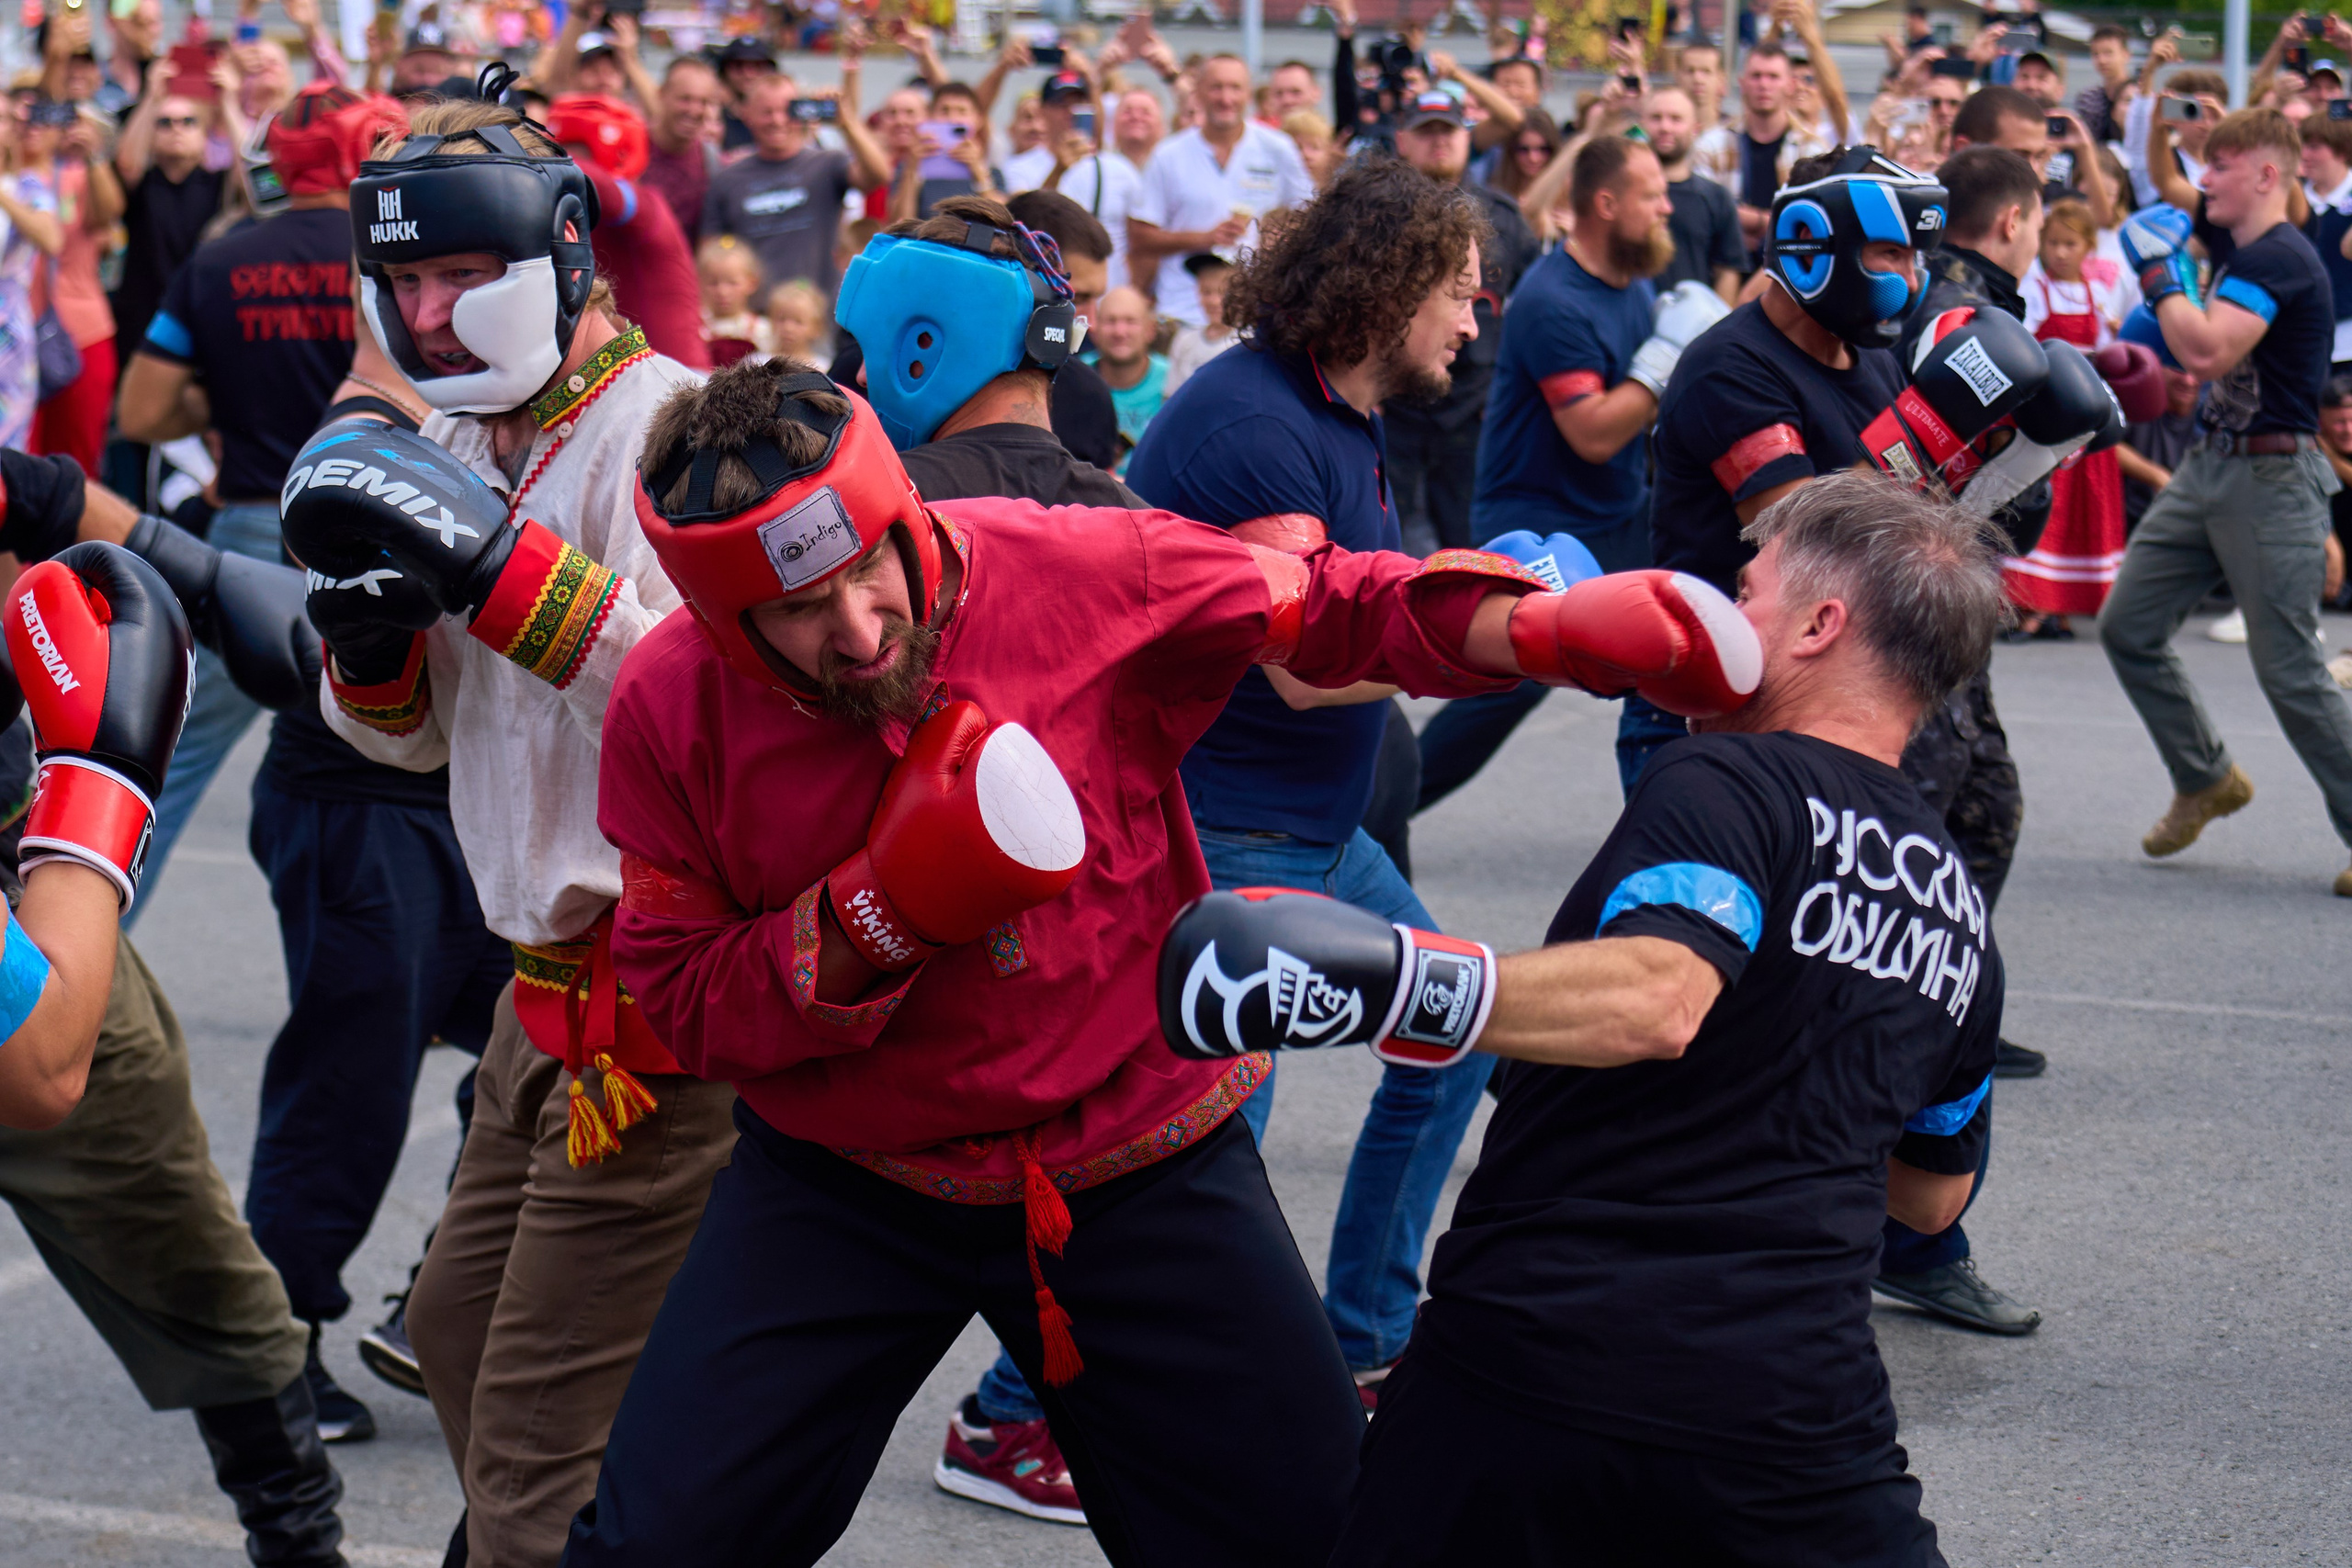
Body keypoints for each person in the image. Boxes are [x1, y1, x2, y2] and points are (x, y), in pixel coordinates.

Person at [560, 344, 1751, 1567]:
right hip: (845, 1179)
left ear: (902, 522)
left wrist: (1542, 629)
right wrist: (874, 918)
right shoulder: (670, 706)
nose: (859, 631)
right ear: (723, 618)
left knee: (1320, 1536)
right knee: (654, 1543)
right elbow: (682, 1000)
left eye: (871, 575)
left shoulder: (1075, 563)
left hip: (1129, 1149)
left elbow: (1323, 602)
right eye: (801, 612)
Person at [1171, 470, 2004, 1568]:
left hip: (1544, 1361)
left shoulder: (1729, 784)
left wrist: (1390, 979)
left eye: (1744, 589)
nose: (1716, 614)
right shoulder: (1958, 913)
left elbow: (1660, 995)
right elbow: (1931, 1193)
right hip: (1794, 1410)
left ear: (1818, 625)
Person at [288, 96, 735, 1568]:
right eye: (403, 285)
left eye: (457, 278)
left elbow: (716, 703)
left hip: (656, 1009)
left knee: (537, 1443)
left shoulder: (668, 422)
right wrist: (366, 650)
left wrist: (491, 571)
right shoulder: (469, 435)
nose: (427, 312)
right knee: (457, 1334)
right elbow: (412, 737)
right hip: (536, 1003)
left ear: (553, 255)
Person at [1123, 158, 1511, 1411]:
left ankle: (1361, 1338)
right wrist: (1506, 634)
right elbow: (1305, 665)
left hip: (1313, 826)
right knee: (1195, 1153)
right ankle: (1024, 1409)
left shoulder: (1335, 407)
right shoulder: (1258, 427)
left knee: (1449, 1038)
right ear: (1384, 291)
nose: (1475, 314)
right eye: (1457, 289)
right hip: (1232, 830)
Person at [831, 192, 1138, 1525]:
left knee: (700, 1495)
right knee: (1265, 1486)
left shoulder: (862, 529)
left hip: (865, 1059)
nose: (844, 385)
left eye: (859, 357)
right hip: (1096, 1051)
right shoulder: (1129, 515)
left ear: (912, 352)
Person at [0, 467, 349, 1566]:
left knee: (190, 1255)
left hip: (19, 857)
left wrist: (198, 569)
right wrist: (101, 781)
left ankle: (299, 1543)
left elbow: (32, 499)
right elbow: (37, 1064)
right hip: (38, 899)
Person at [112, 81, 405, 914]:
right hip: (376, 537)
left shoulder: (220, 258)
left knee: (157, 771)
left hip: (246, 535)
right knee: (388, 777)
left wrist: (227, 407)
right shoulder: (399, 254)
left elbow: (143, 409)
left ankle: (69, 963)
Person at [1421, 136, 1724, 807]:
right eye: (1651, 195)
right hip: (1536, 514)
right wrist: (1665, 356)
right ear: (1606, 204)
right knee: (1513, 676)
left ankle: (1670, 810)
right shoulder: (1555, 300)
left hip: (1619, 510)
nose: (1667, 207)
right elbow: (1591, 432)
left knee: (1682, 641)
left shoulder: (1635, 282)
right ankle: (1388, 801)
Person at [2098, 109, 2352, 897]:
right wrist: (2162, 284)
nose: (2204, 178)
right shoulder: (2242, 250)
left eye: (2221, 166)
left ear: (2266, 177)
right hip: (2213, 467)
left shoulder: (2278, 257)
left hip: (2271, 481)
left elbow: (2205, 351)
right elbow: (2168, 336)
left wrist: (2156, 277)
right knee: (2128, 626)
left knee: (2291, 672)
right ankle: (2205, 776)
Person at [1381, 94, 1539, 558]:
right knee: (1385, 539)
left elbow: (1536, 307)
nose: (1438, 143)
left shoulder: (1502, 218)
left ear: (1467, 137)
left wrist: (1509, 394)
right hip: (1395, 403)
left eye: (1447, 131)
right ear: (1402, 140)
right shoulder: (1378, 215)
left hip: (1473, 405)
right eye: (1426, 132)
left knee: (1469, 543)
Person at [2011, 197, 2132, 635]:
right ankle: (2032, 604)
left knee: (2083, 506)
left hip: (2088, 408)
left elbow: (2104, 349)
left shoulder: (2098, 295)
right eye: (2053, 242)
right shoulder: (2035, 291)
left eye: (2070, 243)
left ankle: (2062, 604)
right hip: (2053, 406)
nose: (2060, 252)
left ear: (2088, 248)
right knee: (2047, 505)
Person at [1129, 55, 1314, 328]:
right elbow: (1140, 235)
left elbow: (1309, 219)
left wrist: (1276, 237)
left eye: (1235, 88)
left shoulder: (1278, 148)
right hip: (1183, 313)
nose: (1226, 98)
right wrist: (1204, 238)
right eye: (1216, 87)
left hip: (1256, 314)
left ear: (1249, 93)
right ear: (1199, 92)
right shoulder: (1169, 154)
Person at [543, 93, 709, 370]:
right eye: (561, 148)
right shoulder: (566, 213)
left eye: (576, 150)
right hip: (628, 377)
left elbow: (601, 186)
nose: (565, 161)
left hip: (681, 384)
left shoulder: (647, 205)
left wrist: (532, 158)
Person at [702, 72, 891, 299]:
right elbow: (709, 255)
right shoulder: (727, 179)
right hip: (756, 318)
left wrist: (847, 122)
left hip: (818, 314)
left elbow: (879, 174)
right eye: (766, 112)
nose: (777, 120)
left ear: (803, 112)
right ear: (747, 114)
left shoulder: (828, 164)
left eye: (787, 110)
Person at [107, 71, 227, 398]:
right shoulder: (143, 184)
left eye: (188, 121)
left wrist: (227, 103)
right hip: (141, 318)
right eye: (165, 122)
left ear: (205, 132)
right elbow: (126, 163)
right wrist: (151, 97)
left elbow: (253, 179)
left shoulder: (218, 184)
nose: (176, 129)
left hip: (203, 317)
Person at [28, 104, 123, 477]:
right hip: (17, 333)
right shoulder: (18, 178)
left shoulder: (84, 175)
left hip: (83, 332)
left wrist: (94, 153)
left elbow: (109, 213)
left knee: (77, 461)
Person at [1693, 42, 1829, 271]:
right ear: (1742, 83)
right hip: (1722, 267)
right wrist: (1770, 224)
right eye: (1756, 76)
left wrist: (1752, 220)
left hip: (1790, 271)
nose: (1764, 85)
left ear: (1790, 85)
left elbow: (1816, 222)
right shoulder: (1711, 144)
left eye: (1773, 77)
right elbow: (1701, 213)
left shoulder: (1812, 150)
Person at [1647, 87, 1743, 304]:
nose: (1665, 127)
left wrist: (1713, 330)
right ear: (1643, 124)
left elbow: (1728, 271)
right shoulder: (1625, 191)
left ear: (1696, 129)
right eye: (1656, 118)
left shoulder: (1716, 197)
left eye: (1676, 119)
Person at [639, 55, 723, 245]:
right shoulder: (630, 149)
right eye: (685, 99)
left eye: (704, 102)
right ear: (661, 95)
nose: (695, 110)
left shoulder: (712, 161)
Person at [1085, 284, 1168, 468]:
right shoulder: (1073, 379)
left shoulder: (1174, 382)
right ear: (1094, 328)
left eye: (1131, 321)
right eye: (1110, 321)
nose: (1120, 332)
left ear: (1150, 329)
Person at [2117, 363, 2203, 535]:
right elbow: (2107, 446)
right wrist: (2157, 476)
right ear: (2160, 367)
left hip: (2183, 529)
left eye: (2196, 372)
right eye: (2178, 369)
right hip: (2130, 523)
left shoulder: (2210, 417)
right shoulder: (2140, 401)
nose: (2188, 381)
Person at [2301, 113, 2352, 368]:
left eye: (2314, 146)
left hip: (2347, 339)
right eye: (2302, 145)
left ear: (2342, 151)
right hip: (2299, 337)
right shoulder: (2292, 197)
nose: (2304, 154)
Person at [1163, 253, 1235, 394]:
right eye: (1206, 292)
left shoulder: (1246, 341)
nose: (1214, 301)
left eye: (1223, 292)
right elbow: (1170, 395)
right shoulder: (1184, 340)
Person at [698, 233, 774, 358]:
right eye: (713, 283)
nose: (722, 292)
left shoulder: (763, 331)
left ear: (752, 283)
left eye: (732, 283)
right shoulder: (695, 328)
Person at [2076, 24, 2137, 144]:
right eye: (2096, 54)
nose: (2102, 60)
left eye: (2108, 53)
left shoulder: (2139, 95)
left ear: (2126, 55)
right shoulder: (2088, 99)